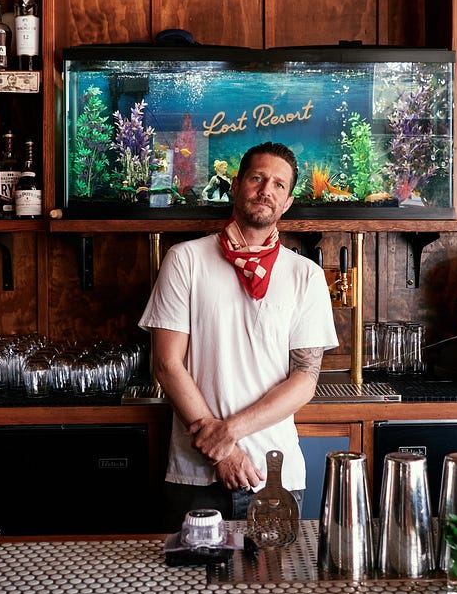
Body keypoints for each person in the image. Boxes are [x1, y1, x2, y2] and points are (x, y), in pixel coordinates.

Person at [140, 142, 338, 528]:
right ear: (235, 185)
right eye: (258, 178)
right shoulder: (186, 260)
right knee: (186, 589)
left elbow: (305, 379)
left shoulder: (305, 276)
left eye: (279, 185)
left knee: (273, 587)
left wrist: (228, 433)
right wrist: (222, 454)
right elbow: (166, 364)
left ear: (288, 202)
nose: (267, 190)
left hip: (274, 475)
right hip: (196, 474)